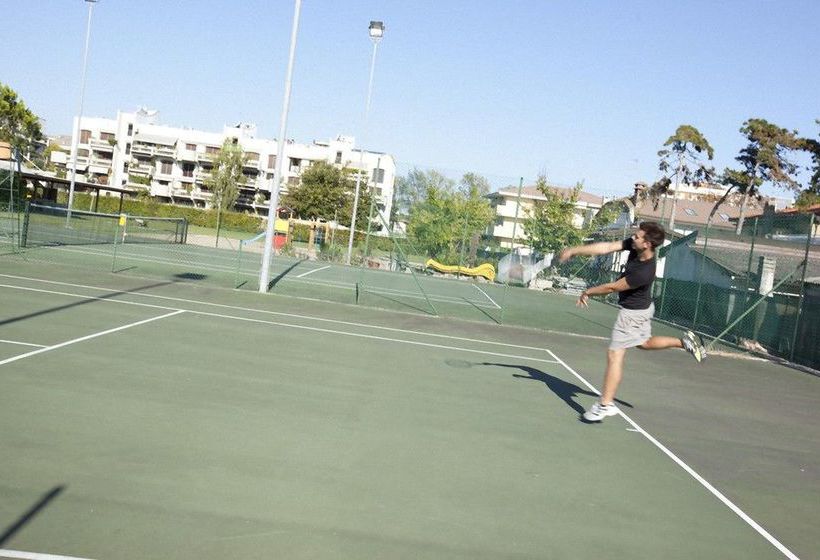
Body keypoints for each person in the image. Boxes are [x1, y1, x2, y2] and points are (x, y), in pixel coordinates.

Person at [558, 221, 705, 422]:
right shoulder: (635, 246)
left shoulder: (644, 272)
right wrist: (575, 250)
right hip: (643, 309)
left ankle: (604, 404)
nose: (633, 238)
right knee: (643, 344)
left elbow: (613, 287)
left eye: (638, 236)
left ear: (647, 244)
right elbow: (607, 247)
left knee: (614, 355)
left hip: (632, 314)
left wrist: (587, 292)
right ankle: (684, 341)